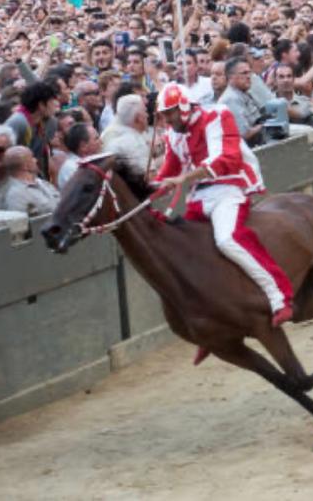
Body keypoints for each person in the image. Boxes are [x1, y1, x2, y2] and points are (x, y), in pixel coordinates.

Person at [153, 82, 294, 365]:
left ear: (183, 107)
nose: (166, 121)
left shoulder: (217, 115)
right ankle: (210, 332)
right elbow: (168, 172)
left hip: (228, 189)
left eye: (169, 114)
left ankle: (279, 294)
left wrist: (183, 179)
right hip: (198, 198)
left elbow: (226, 160)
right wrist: (148, 189)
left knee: (227, 239)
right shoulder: (174, 134)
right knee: (188, 255)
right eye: (164, 115)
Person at [102, 94, 154, 178]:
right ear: (138, 118)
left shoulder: (109, 130)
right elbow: (150, 177)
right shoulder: (133, 141)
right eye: (145, 111)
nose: (147, 115)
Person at [1, 145, 60, 216]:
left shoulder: (42, 182)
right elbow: (21, 224)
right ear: (26, 166)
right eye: (32, 158)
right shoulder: (16, 195)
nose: (36, 160)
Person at [218, 57, 265, 147]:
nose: (248, 77)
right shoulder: (231, 99)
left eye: (249, 72)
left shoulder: (242, 93)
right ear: (230, 77)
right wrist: (265, 125)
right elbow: (244, 134)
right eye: (244, 73)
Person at [57, 122, 102, 189]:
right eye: (96, 139)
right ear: (83, 146)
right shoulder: (71, 169)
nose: (101, 142)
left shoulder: (91, 162)